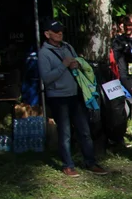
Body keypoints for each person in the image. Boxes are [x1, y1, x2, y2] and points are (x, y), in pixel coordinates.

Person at [37, 20, 108, 177]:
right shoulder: (44, 54)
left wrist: (77, 64)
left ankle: (90, 162)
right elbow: (47, 78)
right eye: (56, 31)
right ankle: (68, 165)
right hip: (58, 97)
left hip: (76, 94)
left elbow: (77, 63)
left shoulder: (68, 47)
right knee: (65, 132)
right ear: (47, 34)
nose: (60, 33)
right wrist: (63, 65)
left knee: (84, 130)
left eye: (61, 30)